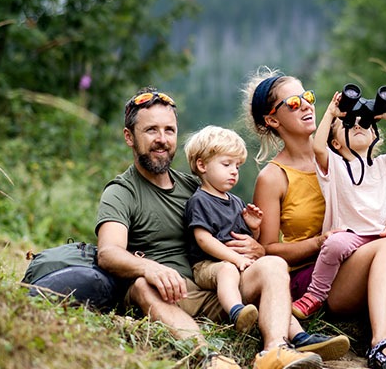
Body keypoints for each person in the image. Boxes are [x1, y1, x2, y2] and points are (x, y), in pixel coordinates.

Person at [95, 87, 349, 369]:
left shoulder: (194, 185)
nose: (162, 139)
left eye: (169, 130)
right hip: (167, 292)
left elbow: (234, 227)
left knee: (273, 264)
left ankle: (275, 350)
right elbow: (108, 253)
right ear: (129, 136)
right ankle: (209, 357)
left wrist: (255, 244)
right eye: (151, 131)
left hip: (218, 288)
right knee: (143, 286)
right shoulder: (122, 191)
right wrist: (151, 268)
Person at [243, 69, 386, 369]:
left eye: (307, 97)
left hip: (368, 262)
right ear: (272, 120)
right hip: (323, 276)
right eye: (293, 103)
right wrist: (320, 241)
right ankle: (381, 342)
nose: (307, 105)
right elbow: (268, 249)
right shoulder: (274, 177)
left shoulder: (344, 152)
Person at [290, 88, 386, 319]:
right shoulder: (334, 166)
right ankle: (315, 295)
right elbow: (317, 147)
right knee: (333, 244)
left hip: (382, 232)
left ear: (374, 135)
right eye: (349, 124)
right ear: (335, 144)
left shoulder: (384, 164)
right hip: (350, 233)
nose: (358, 126)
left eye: (364, 124)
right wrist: (332, 113)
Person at [183, 125, 263, 333]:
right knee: (227, 269)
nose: (234, 171)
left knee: (269, 269)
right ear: (202, 165)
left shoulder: (235, 201)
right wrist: (235, 260)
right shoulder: (200, 200)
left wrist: (254, 230)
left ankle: (296, 333)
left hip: (236, 264)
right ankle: (236, 312)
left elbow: (244, 241)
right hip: (207, 266)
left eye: (237, 166)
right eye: (226, 164)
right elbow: (203, 239)